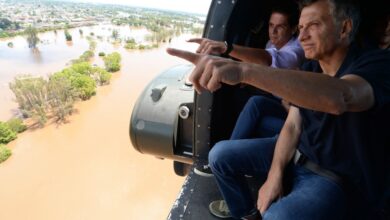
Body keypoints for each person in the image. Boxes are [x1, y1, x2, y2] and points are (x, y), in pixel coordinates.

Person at [167, 0, 390, 219]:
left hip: (331, 176)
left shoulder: (376, 64)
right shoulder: (310, 68)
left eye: (313, 25)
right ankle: (247, 213)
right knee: (219, 156)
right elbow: (293, 126)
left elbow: (342, 95)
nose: (302, 36)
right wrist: (275, 174)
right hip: (298, 154)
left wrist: (244, 71)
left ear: (345, 28)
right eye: (301, 28)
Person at [191, 2, 304, 177]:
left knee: (254, 105)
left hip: (293, 110)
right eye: (271, 26)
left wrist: (226, 47)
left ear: (294, 29)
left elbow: (269, 60)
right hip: (277, 99)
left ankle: (229, 157)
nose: (273, 32)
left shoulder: (297, 49)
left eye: (280, 27)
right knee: (245, 99)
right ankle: (233, 155)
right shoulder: (270, 42)